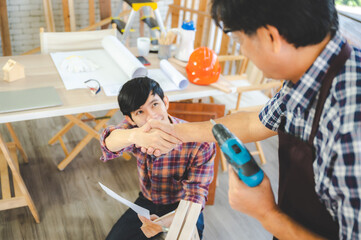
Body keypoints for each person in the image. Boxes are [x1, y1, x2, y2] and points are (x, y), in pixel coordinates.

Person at [139, 0, 361, 239]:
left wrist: (267, 213)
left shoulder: (350, 122)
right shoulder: (309, 70)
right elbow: (255, 123)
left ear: (271, 37)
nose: (242, 50)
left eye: (239, 40)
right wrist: (176, 131)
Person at [99, 77, 215, 240]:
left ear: (165, 102)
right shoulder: (134, 131)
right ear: (130, 120)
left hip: (182, 204)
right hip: (147, 202)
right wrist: (135, 136)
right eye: (140, 112)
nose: (151, 117)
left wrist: (171, 219)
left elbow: (197, 193)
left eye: (154, 104)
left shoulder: (199, 143)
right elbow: (108, 144)